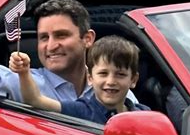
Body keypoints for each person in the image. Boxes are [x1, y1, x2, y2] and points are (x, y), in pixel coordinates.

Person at [9, 35, 149, 124]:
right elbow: (35, 100)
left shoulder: (144, 115)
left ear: (134, 80)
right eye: (103, 73)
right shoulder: (81, 110)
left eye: (120, 74)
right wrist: (24, 72)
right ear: (90, 78)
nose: (111, 81)